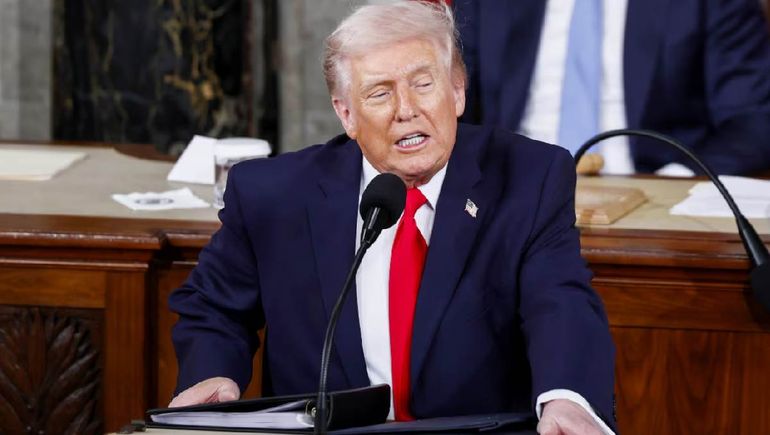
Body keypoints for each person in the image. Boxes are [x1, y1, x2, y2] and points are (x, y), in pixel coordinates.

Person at [168, 2, 616, 434]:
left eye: (423, 84)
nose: (406, 109)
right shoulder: (274, 196)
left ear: (457, 91)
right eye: (380, 93)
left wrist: (567, 399)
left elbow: (560, 302)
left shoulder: (529, 179)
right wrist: (212, 374)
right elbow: (214, 306)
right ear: (346, 114)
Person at [454, 0, 770, 176]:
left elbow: (753, 119)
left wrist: (676, 182)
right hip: (512, 196)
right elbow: (452, 102)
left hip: (652, 201)